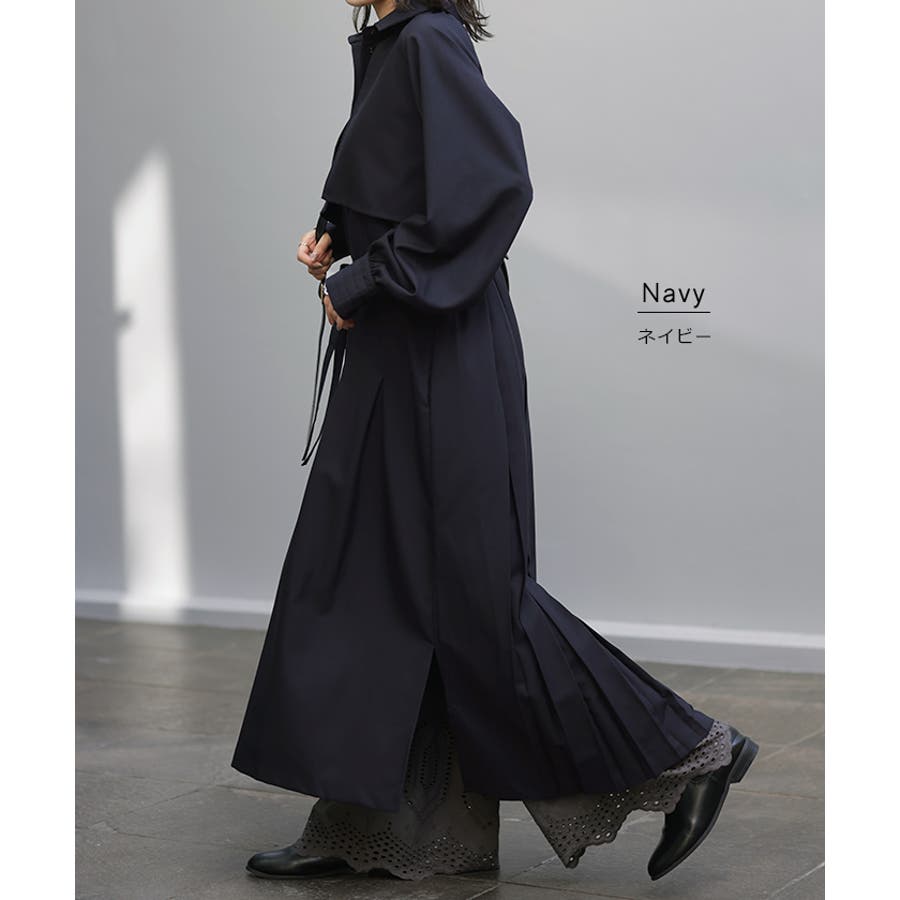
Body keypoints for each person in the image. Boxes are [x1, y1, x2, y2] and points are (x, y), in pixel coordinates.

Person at [231, 0, 758, 883]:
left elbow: (490, 189)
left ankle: (693, 755)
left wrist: (366, 278)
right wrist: (338, 235)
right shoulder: (393, 45)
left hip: (440, 363)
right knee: (373, 577)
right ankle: (386, 828)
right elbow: (409, 183)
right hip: (403, 355)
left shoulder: (428, 41)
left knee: (473, 602)